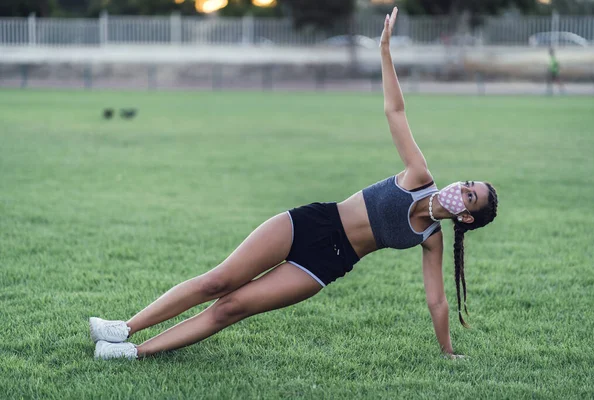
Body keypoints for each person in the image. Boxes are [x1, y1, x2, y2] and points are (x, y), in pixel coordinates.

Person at [90, 7, 498, 361]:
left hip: (326, 264)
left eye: (469, 195)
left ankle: (132, 353)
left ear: (465, 215)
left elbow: (437, 300)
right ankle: (124, 328)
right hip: (311, 222)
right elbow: (395, 111)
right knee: (218, 281)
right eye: (466, 183)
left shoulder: (431, 237)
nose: (460, 188)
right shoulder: (419, 176)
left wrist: (447, 351)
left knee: (232, 308)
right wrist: (385, 51)